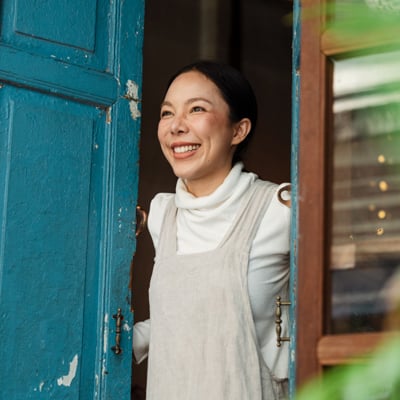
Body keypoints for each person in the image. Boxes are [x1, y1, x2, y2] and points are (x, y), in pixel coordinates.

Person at [133, 61, 291, 400]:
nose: (176, 126)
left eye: (197, 109)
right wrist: (113, 342)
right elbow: (184, 316)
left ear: (239, 130)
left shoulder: (279, 209)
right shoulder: (163, 213)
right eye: (166, 113)